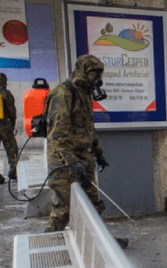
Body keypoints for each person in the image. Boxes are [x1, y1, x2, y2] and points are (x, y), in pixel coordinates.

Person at [44, 54, 109, 233]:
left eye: (99, 74)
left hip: (83, 157)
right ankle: (49, 242)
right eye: (94, 74)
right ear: (83, 72)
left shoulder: (84, 94)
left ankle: (102, 244)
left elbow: (87, 127)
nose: (98, 79)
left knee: (92, 203)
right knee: (64, 208)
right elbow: (57, 134)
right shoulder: (64, 93)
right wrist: (71, 162)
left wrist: (98, 154)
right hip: (63, 159)